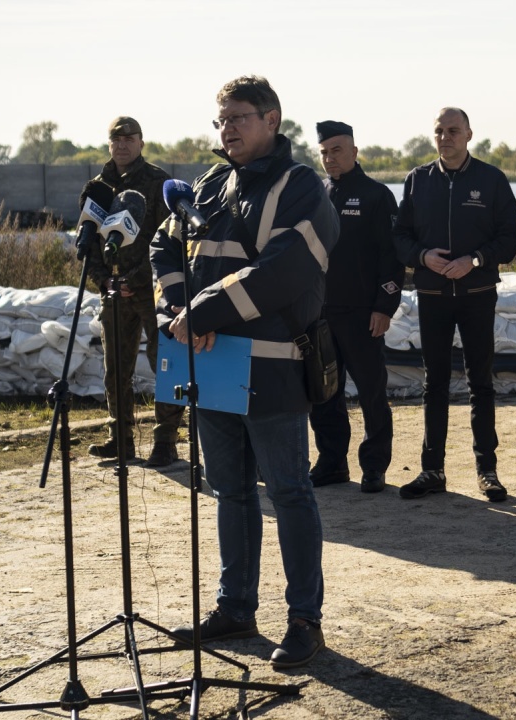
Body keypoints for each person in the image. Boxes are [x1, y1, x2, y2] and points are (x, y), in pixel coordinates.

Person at [151, 76, 338, 669]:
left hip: (274, 370)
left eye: (239, 118)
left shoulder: (303, 187)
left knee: (288, 493)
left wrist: (201, 311)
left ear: (273, 118)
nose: (227, 128)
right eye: (221, 119)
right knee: (229, 491)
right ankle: (236, 609)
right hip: (211, 365)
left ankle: (305, 621)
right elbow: (164, 247)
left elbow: (283, 272)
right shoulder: (209, 185)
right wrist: (178, 313)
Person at [392, 107, 516, 502]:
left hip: (477, 296)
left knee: (481, 382)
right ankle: (432, 470)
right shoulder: (418, 180)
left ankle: (488, 471)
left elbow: (510, 237)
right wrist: (422, 257)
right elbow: (399, 237)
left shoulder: (491, 179)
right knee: (434, 384)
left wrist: (476, 260)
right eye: (439, 131)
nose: (445, 137)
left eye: (453, 130)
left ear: (468, 135)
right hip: (432, 296)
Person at [83, 116, 185, 467]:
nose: (123, 145)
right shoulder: (97, 187)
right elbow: (89, 242)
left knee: (164, 365)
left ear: (141, 142)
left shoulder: (158, 182)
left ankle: (165, 441)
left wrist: (135, 279)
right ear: (109, 144)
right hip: (112, 290)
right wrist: (105, 280)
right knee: (116, 369)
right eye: (117, 139)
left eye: (130, 139)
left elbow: (165, 238)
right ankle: (120, 439)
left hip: (151, 290)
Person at [307, 120, 403, 494]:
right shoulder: (316, 195)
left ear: (354, 152)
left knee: (371, 393)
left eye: (337, 150)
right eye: (324, 152)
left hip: (363, 315)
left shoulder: (377, 196)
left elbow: (391, 258)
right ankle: (332, 464)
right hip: (320, 314)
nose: (330, 158)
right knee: (324, 394)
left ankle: (374, 467)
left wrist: (385, 306)